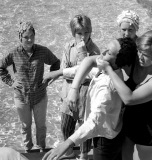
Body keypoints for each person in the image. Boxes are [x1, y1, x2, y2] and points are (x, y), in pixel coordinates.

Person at [42, 37, 138, 160]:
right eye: (105, 49)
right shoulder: (108, 71)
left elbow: (94, 122)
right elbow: (86, 70)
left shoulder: (106, 90)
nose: (102, 53)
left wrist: (66, 144)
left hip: (105, 142)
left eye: (108, 52)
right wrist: (58, 73)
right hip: (110, 134)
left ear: (117, 61)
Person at [97, 30, 152, 160]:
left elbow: (129, 98)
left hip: (148, 134)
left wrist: (109, 69)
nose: (140, 57)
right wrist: (61, 74)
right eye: (139, 51)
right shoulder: (137, 62)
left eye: (146, 55)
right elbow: (95, 59)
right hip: (127, 127)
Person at [0, 21, 60, 152]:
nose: (29, 39)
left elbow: (56, 62)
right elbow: (1, 68)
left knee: (41, 126)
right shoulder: (14, 53)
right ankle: (28, 150)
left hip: (40, 97)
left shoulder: (42, 51)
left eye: (32, 36)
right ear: (20, 37)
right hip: (21, 98)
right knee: (25, 126)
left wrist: (49, 78)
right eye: (26, 37)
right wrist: (11, 82)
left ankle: (41, 150)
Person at [52, 14, 100, 160]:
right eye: (79, 33)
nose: (83, 36)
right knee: (66, 126)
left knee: (84, 129)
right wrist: (80, 72)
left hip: (86, 96)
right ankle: (69, 152)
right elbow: (64, 73)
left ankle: (84, 155)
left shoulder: (95, 51)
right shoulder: (68, 47)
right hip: (68, 94)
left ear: (91, 31)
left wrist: (83, 55)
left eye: (86, 32)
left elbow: (93, 75)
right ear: (74, 33)